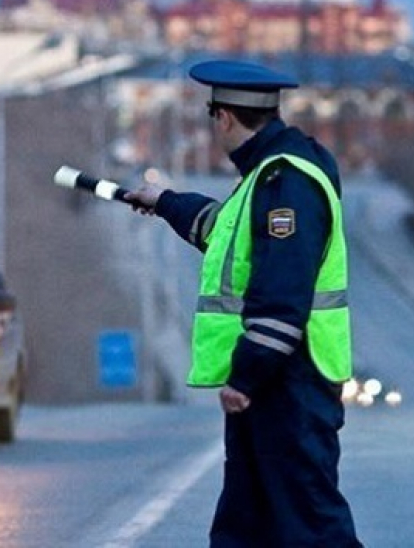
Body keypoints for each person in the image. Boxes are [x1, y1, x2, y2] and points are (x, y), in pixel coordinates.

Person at [125, 59, 362, 547]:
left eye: (212, 116)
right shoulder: (268, 176)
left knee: (309, 525)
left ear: (224, 118)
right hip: (277, 385)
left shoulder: (286, 184)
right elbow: (221, 231)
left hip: (289, 382)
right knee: (247, 523)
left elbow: (283, 292)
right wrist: (165, 201)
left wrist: (247, 374)